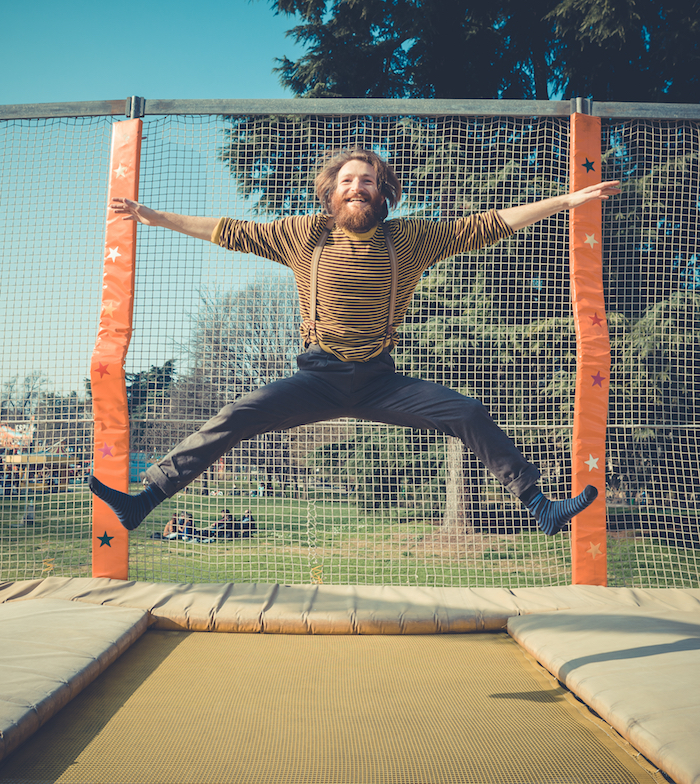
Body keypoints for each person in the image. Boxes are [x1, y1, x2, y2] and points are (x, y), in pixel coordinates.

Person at [89, 148, 620, 536]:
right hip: (315, 378)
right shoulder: (305, 234)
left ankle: (538, 504)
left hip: (379, 381)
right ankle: (145, 500)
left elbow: (489, 224)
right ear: (331, 191)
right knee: (234, 415)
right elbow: (230, 230)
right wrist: (156, 217)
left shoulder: (411, 238)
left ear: (382, 191)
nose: (357, 188)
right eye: (347, 181)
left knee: (468, 412)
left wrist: (570, 200)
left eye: (368, 181)